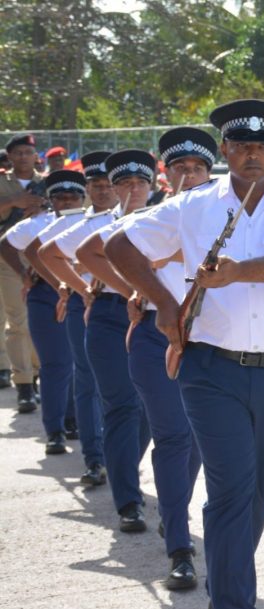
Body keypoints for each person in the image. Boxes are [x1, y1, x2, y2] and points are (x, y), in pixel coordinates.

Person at [108, 98, 264, 609]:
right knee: (231, 488)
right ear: (225, 151)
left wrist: (238, 272)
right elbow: (116, 246)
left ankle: (225, 577)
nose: (253, 154)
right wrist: (161, 304)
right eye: (241, 145)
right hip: (209, 368)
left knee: (259, 489)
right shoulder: (190, 206)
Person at [99, 127, 215, 591]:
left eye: (198, 167)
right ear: (165, 175)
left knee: (198, 442)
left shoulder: (232, 214)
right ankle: (181, 550)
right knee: (172, 437)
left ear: (210, 170)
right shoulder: (152, 218)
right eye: (179, 168)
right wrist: (139, 291)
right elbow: (102, 249)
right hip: (154, 335)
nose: (189, 174)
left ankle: (173, 510)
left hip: (211, 339)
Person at [50, 150, 153, 533]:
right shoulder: (99, 225)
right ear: (113, 188)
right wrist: (86, 290)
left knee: (149, 409)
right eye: (124, 183)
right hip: (110, 316)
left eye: (140, 182)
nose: (132, 189)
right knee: (121, 406)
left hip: (157, 317)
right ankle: (128, 500)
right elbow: (52, 253)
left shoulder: (166, 220)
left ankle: (122, 462)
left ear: (151, 185)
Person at [35, 152, 113, 486]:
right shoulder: (71, 222)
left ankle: (120, 455)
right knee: (87, 381)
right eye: (95, 184)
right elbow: (39, 253)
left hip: (129, 307)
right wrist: (74, 288)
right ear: (88, 188)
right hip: (87, 306)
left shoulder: (138, 217)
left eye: (108, 183)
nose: (102, 190)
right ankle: (94, 458)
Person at [0, 170, 83, 453]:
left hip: (84, 296)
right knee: (55, 364)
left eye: (74, 196)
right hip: (45, 297)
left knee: (78, 364)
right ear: (51, 200)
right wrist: (25, 274)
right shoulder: (40, 223)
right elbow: (6, 245)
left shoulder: (90, 222)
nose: (67, 201)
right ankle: (55, 430)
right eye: (60, 197)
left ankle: (73, 419)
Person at [0, 134, 47, 410]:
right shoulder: (3, 183)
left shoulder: (48, 182)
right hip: (8, 256)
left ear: (34, 155)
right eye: (17, 153)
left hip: (42, 255)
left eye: (27, 152)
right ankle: (24, 384)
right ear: (10, 156)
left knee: (40, 317)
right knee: (17, 320)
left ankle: (38, 371)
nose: (22, 157)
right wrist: (13, 202)